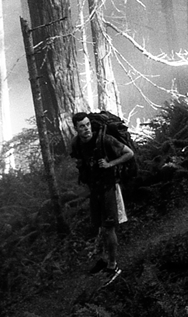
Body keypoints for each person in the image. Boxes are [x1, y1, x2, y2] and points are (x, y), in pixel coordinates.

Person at [70, 111, 134, 281]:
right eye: (82, 126)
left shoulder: (104, 139)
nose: (86, 129)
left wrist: (110, 164)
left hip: (109, 188)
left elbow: (129, 153)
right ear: (76, 128)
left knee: (108, 228)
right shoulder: (76, 143)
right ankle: (106, 261)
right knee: (100, 228)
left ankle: (113, 266)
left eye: (88, 125)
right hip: (95, 190)